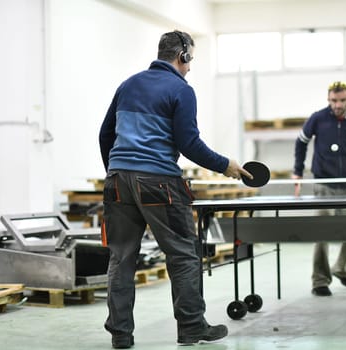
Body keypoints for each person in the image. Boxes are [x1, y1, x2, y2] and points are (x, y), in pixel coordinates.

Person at [99, 30, 252, 348]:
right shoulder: (181, 90)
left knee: (121, 258)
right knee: (183, 255)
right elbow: (189, 143)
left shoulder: (128, 84)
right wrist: (226, 165)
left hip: (117, 181)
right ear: (182, 56)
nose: (190, 66)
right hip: (159, 183)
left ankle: (121, 335)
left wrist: (116, 172)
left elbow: (105, 134)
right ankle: (192, 327)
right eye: (190, 59)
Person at [292, 81, 346, 297]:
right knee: (322, 233)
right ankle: (320, 280)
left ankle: (341, 268)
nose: (338, 105)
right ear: (328, 100)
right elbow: (301, 142)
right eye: (334, 100)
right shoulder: (318, 118)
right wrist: (297, 173)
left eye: (342, 100)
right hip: (323, 184)